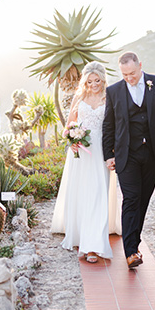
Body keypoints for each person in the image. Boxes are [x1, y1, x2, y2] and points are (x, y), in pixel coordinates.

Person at [102, 51, 155, 269]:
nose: (129, 78)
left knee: (143, 200)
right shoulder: (114, 91)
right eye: (124, 75)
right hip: (127, 155)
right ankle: (131, 251)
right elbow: (109, 125)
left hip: (152, 153)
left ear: (140, 66)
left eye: (132, 73)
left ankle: (135, 242)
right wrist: (108, 154)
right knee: (131, 198)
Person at [51, 61, 121, 263]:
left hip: (100, 151)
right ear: (85, 80)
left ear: (103, 79)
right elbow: (69, 126)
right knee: (82, 194)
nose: (94, 84)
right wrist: (71, 139)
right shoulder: (79, 97)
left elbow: (115, 126)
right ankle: (82, 237)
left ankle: (93, 246)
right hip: (80, 153)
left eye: (97, 80)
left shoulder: (110, 98)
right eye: (90, 81)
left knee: (99, 194)